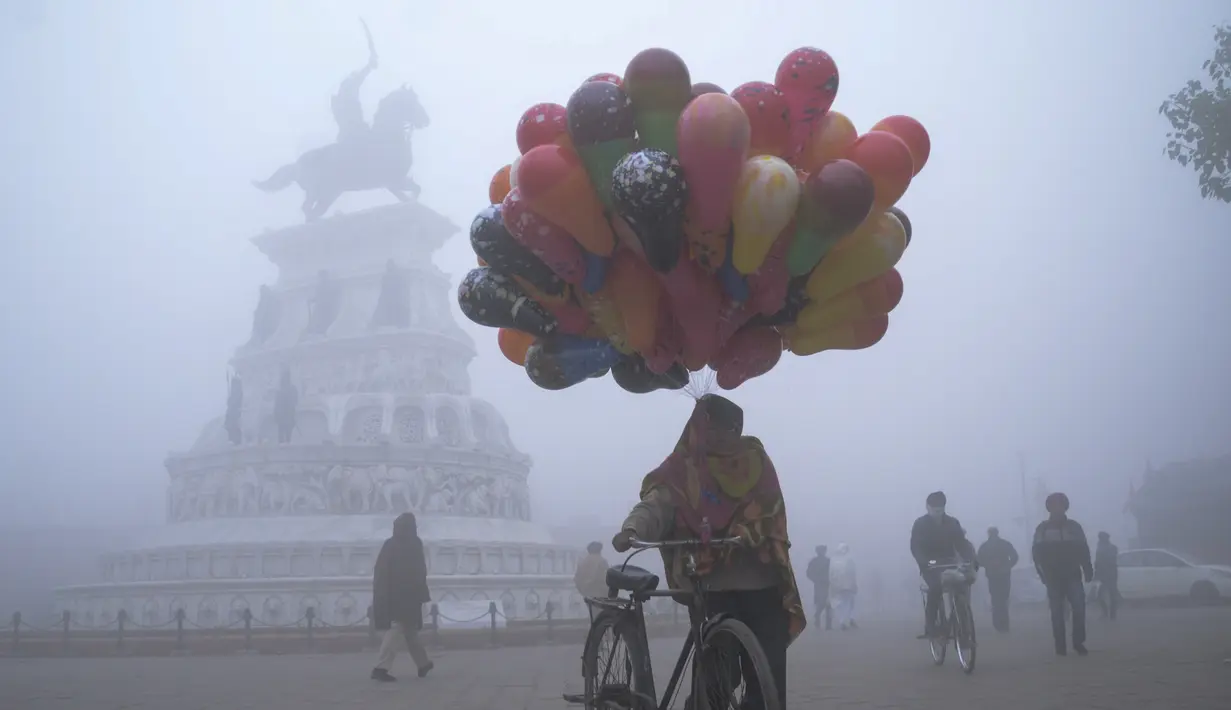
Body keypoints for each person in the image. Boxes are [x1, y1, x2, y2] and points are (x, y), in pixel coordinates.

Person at [613, 394, 804, 710]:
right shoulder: (681, 468)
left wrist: (751, 531)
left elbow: (771, 508)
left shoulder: (754, 460)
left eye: (730, 429)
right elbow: (657, 504)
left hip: (763, 580)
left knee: (768, 681)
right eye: (713, 428)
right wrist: (632, 529)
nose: (721, 437)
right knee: (717, 679)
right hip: (711, 584)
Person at [371, 512, 434, 681]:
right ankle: (381, 667)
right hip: (408, 595)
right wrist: (422, 593)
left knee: (410, 631)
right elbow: (420, 571)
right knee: (398, 628)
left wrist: (381, 594)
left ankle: (423, 663)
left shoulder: (389, 544)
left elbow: (380, 571)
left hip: (393, 594)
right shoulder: (414, 544)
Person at [1032, 492, 1093, 656]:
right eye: (1053, 505)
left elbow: (1083, 548)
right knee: (1057, 612)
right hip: (1052, 577)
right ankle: (1060, 646)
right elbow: (1036, 553)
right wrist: (1041, 572)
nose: (1057, 508)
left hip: (1073, 574)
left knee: (1079, 608)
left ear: (1065, 507)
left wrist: (1088, 568)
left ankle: (1078, 642)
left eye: (1060, 504)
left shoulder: (1074, 527)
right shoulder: (1042, 528)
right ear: (1049, 508)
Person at [910, 491, 977, 639]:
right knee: (936, 588)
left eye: (940, 509)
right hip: (930, 565)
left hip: (950, 562)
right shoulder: (920, 524)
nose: (937, 513)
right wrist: (924, 562)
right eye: (935, 509)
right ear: (928, 507)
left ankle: (961, 620)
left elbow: (961, 543)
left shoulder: (952, 523)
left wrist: (970, 557)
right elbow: (916, 546)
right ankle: (931, 625)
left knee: (962, 585)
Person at [977, 526, 1020, 632]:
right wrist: (1007, 565)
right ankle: (1004, 624)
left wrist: (988, 565)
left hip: (993, 575)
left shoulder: (985, 546)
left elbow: (978, 560)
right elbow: (1014, 556)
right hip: (1003, 574)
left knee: (996, 599)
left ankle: (998, 624)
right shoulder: (1004, 544)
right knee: (1003, 599)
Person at [829, 543, 858, 630]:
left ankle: (849, 619)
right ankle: (844, 621)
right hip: (847, 585)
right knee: (847, 603)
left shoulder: (834, 561)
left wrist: (833, 584)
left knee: (845, 602)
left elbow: (831, 574)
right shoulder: (849, 560)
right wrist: (854, 584)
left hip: (838, 585)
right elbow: (852, 573)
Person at [1094, 531, 1120, 621]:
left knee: (1111, 594)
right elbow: (1097, 563)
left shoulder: (1110, 548)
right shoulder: (1101, 548)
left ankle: (1111, 614)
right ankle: (1108, 613)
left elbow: (1104, 561)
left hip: (1109, 574)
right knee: (1101, 594)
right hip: (1105, 574)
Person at [806, 545, 832, 630]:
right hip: (819, 585)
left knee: (829, 604)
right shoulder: (814, 561)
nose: (822, 552)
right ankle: (817, 617)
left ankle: (828, 625)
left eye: (823, 550)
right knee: (821, 603)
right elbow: (809, 573)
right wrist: (815, 580)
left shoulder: (829, 561)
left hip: (828, 584)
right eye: (820, 550)